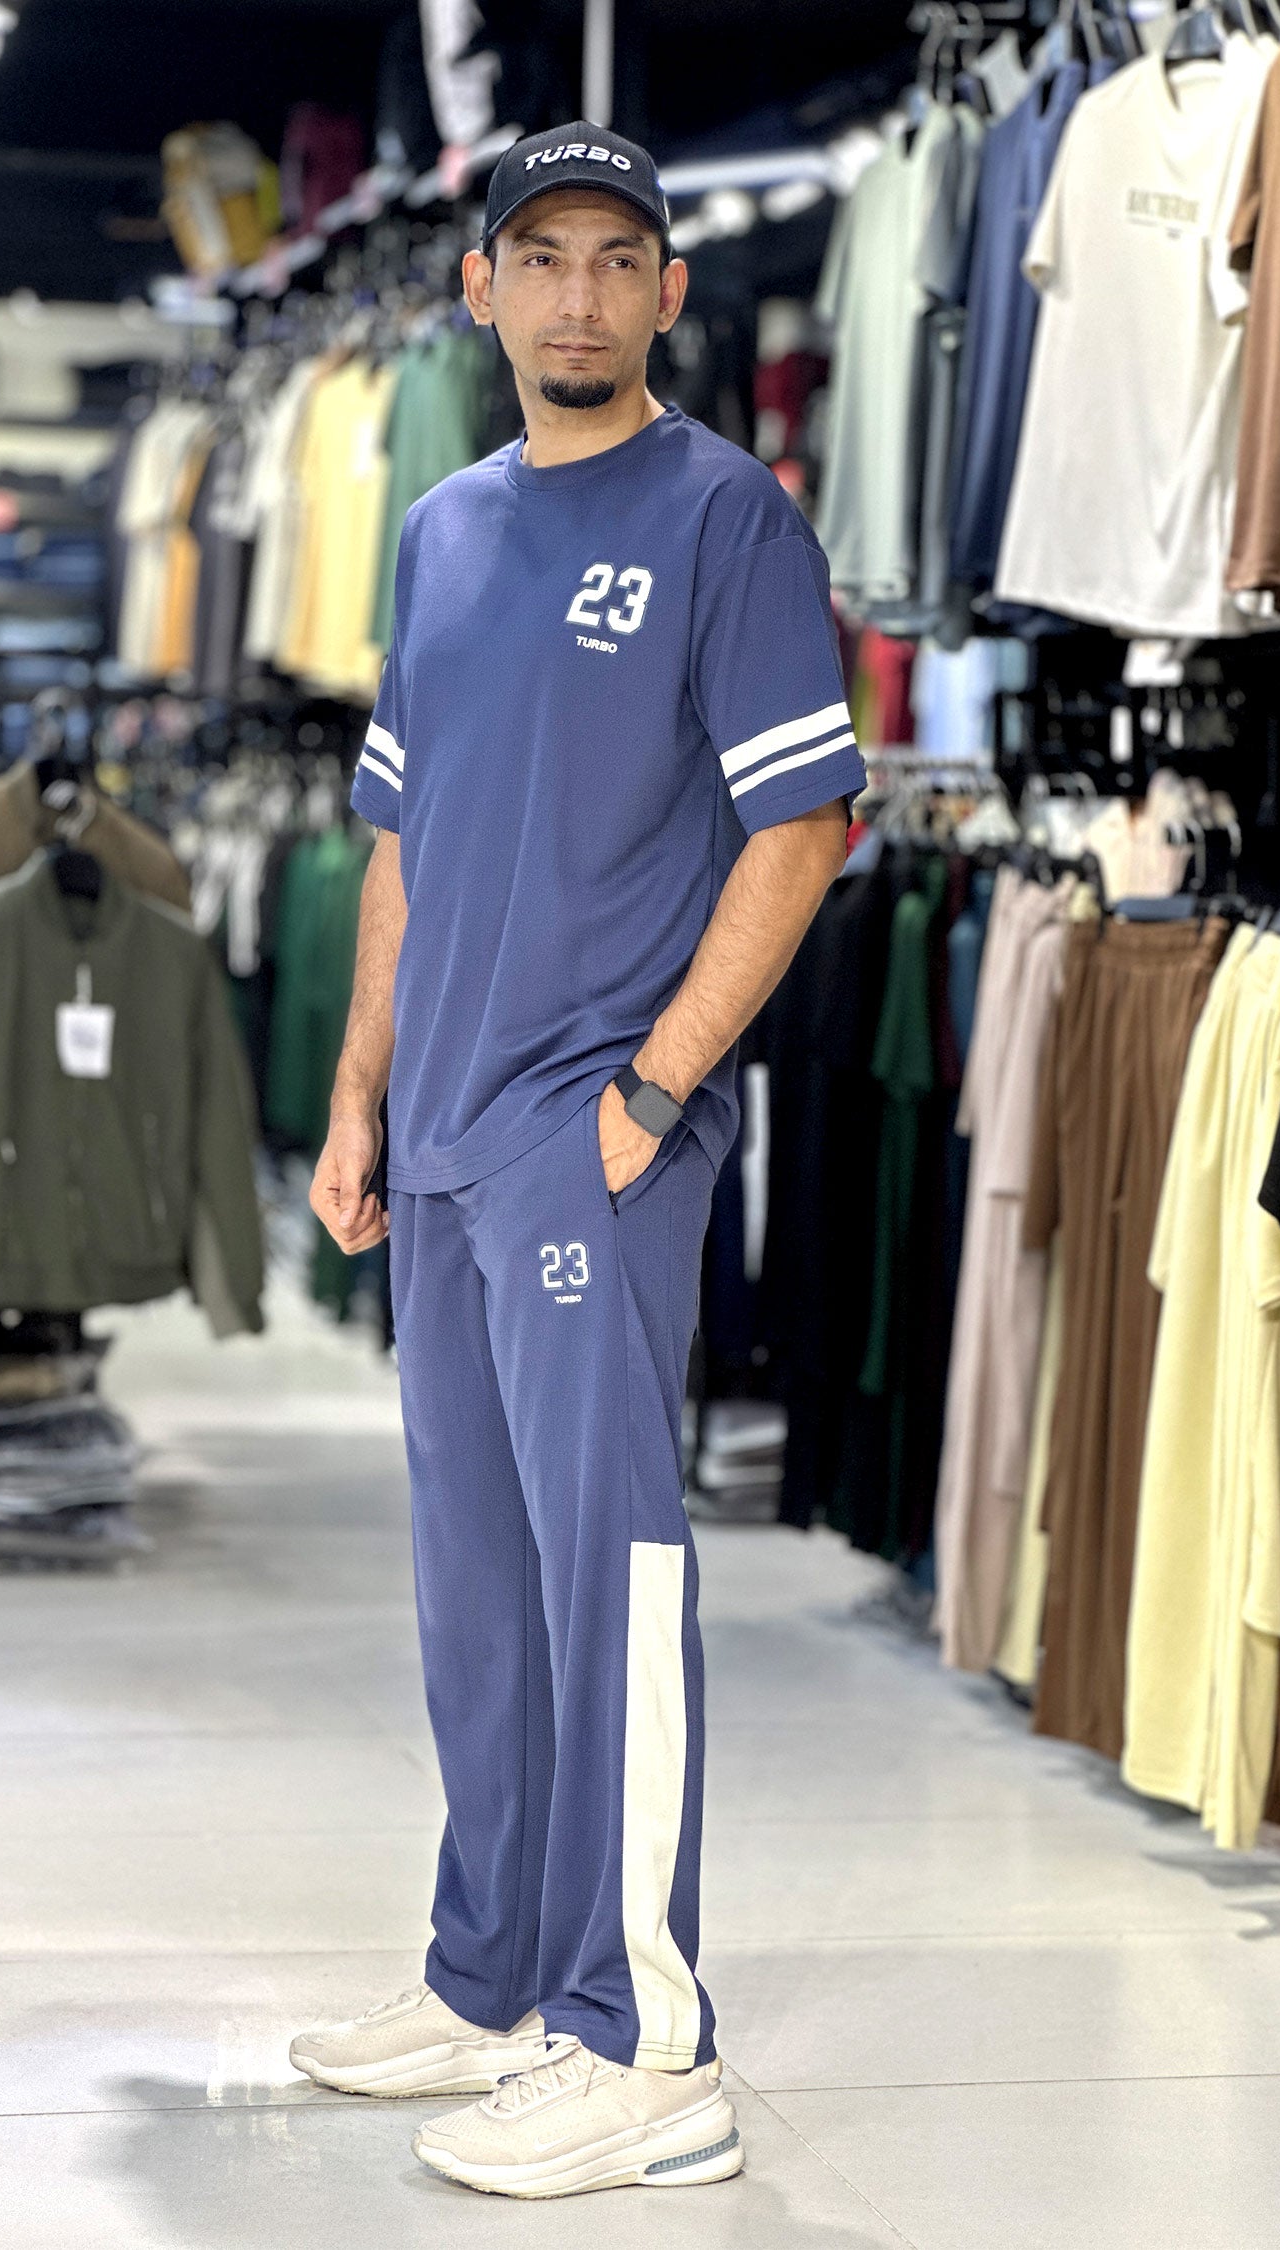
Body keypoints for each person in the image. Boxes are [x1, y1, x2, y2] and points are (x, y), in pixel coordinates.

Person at [291, 119, 866, 2200]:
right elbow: (400, 843)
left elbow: (804, 830)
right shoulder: (441, 531)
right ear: (481, 289)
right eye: (541, 257)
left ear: (669, 294)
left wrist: (648, 1095)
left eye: (620, 259)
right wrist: (359, 1095)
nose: (579, 294)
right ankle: (492, 1981)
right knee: (481, 1592)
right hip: (442, 1137)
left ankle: (645, 2047)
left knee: (608, 1580)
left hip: (586, 1141)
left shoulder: (727, 520)